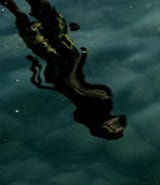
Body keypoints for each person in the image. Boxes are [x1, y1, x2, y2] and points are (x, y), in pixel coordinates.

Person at [1, 0, 126, 139]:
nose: (113, 122)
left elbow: (82, 94)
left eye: (110, 126)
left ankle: (15, 10)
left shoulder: (91, 112)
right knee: (54, 27)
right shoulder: (103, 105)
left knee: (40, 40)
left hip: (61, 74)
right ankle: (20, 10)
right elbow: (92, 92)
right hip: (68, 68)